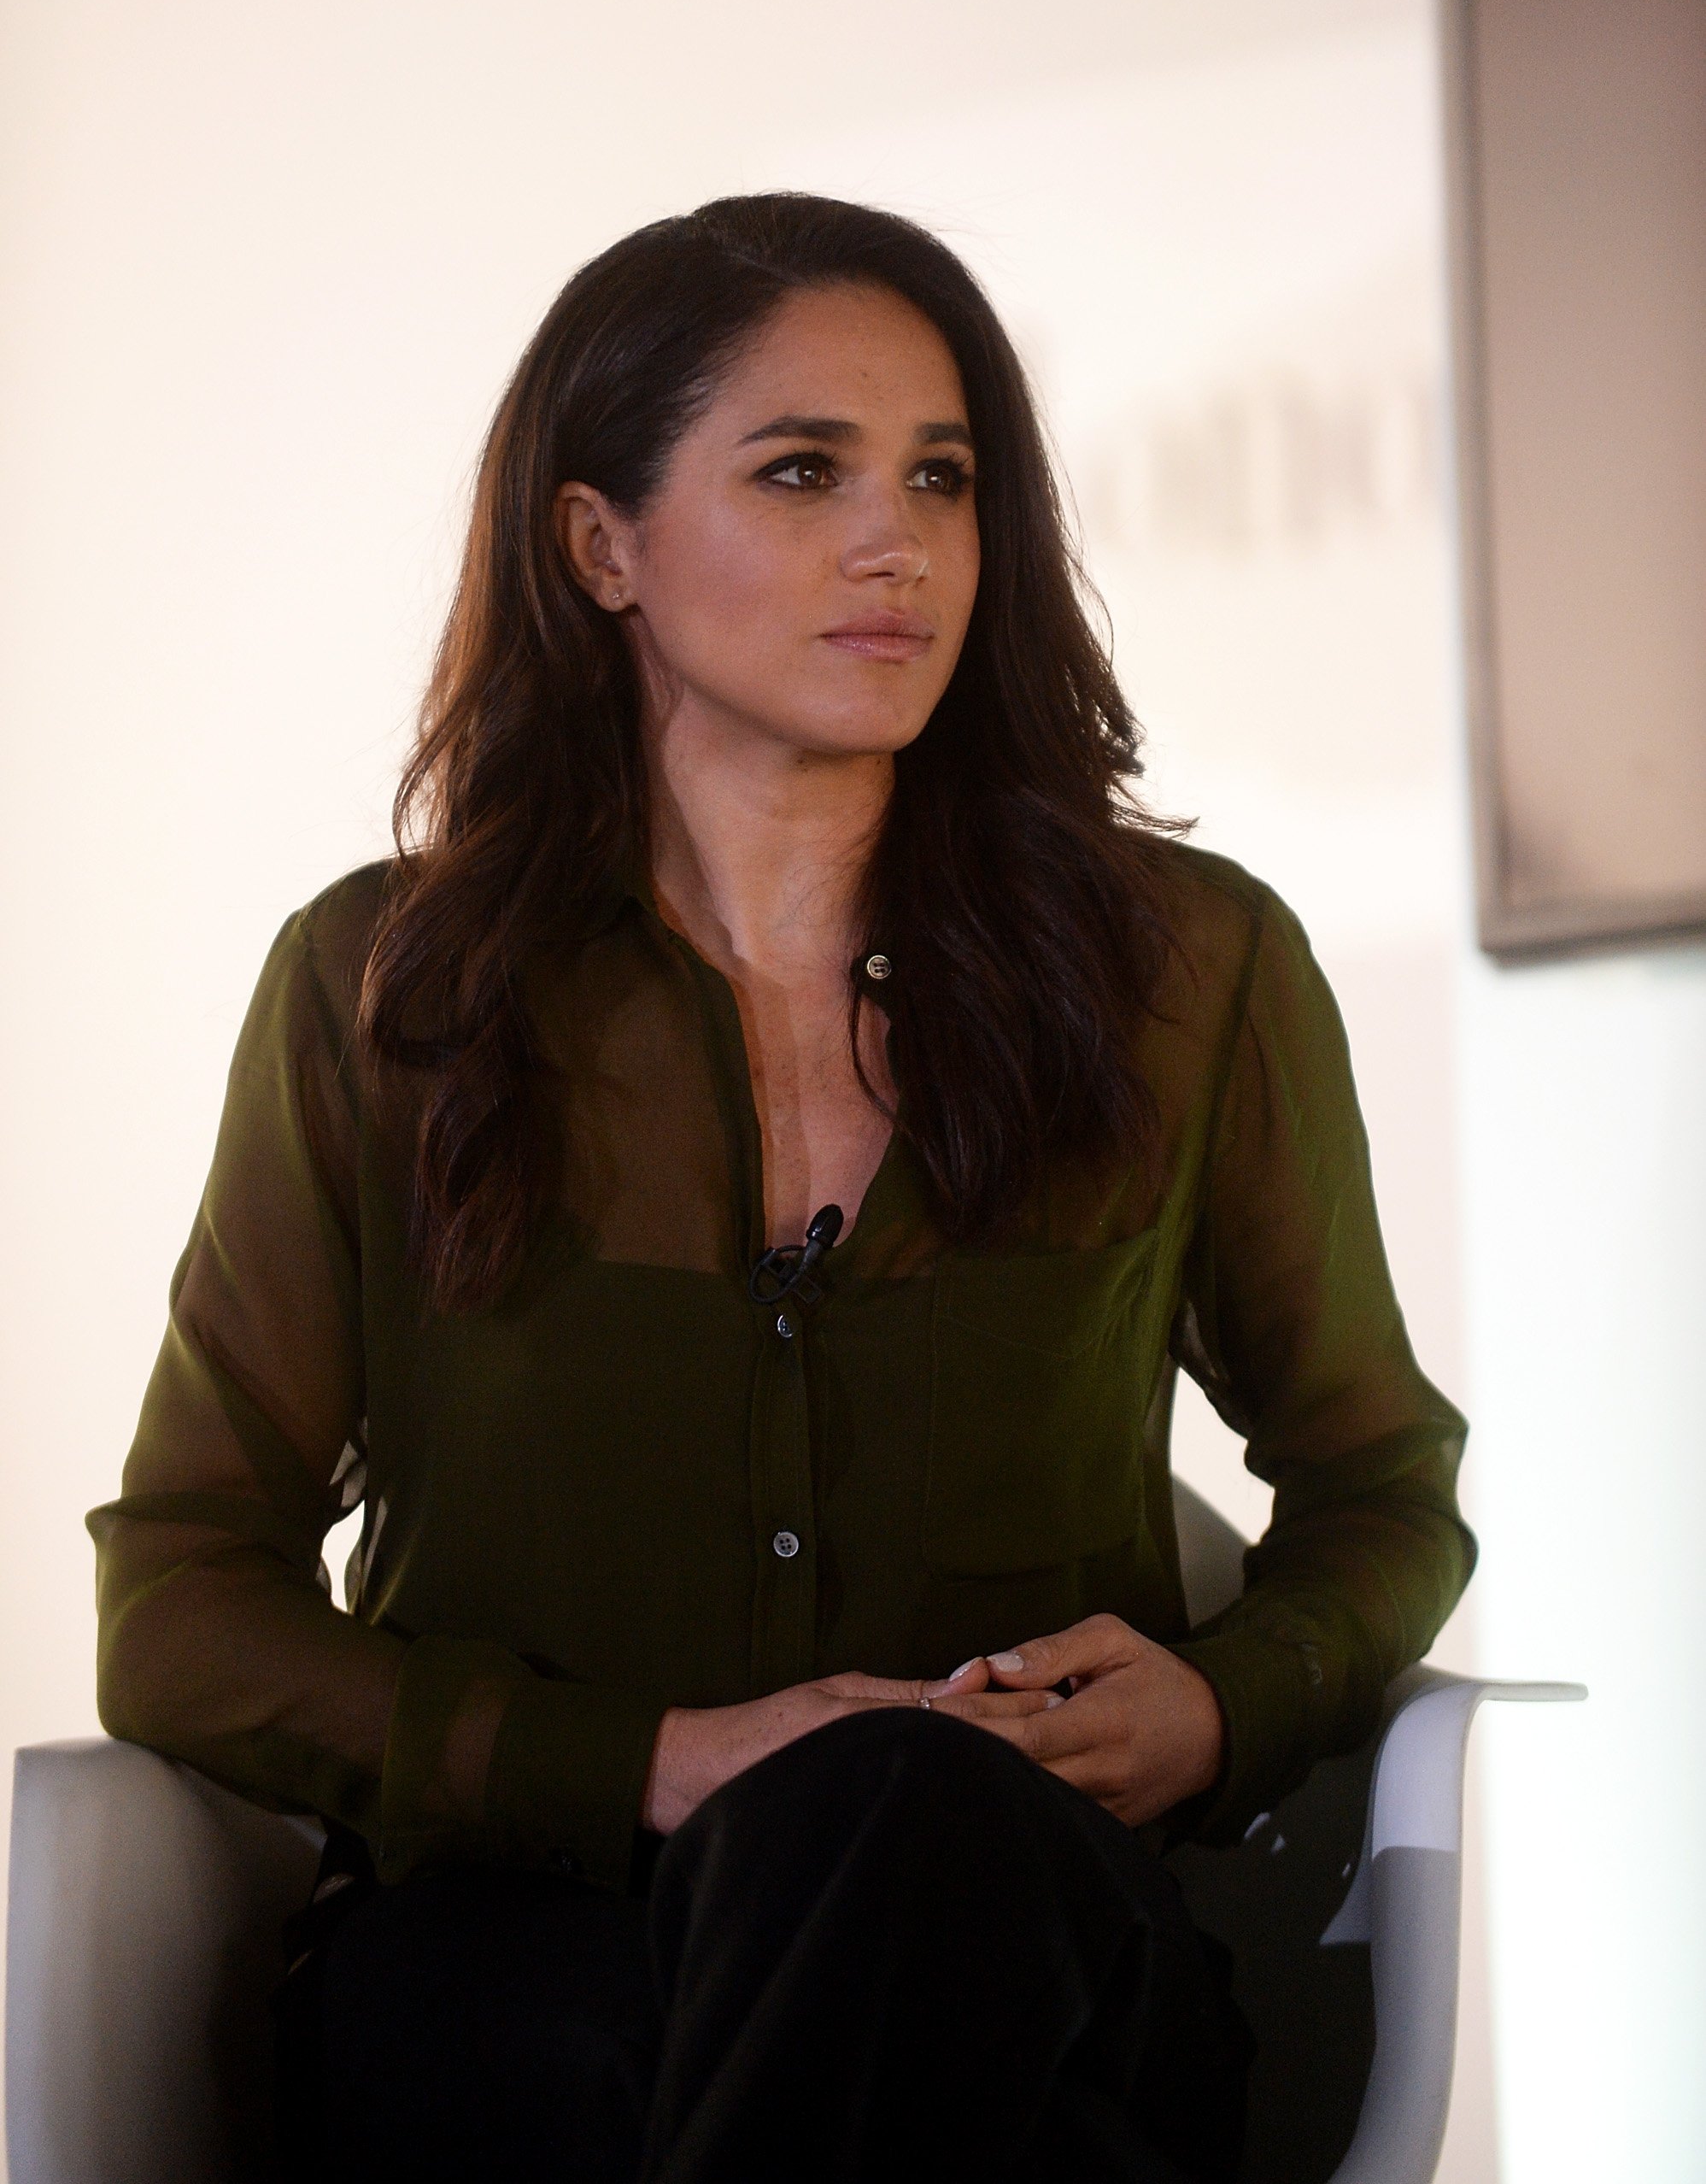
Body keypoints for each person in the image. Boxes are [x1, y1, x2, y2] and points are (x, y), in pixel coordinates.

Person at [88, 191, 1474, 2184]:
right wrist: (647, 1768)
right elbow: (180, 1607)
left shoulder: (1190, 971)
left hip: (1030, 1942)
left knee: (910, 1826)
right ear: (602, 545)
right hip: (522, 1966)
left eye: (943, 476)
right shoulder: (382, 991)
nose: (898, 541)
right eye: (804, 471)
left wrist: (1219, 1705)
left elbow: (1379, 1487)